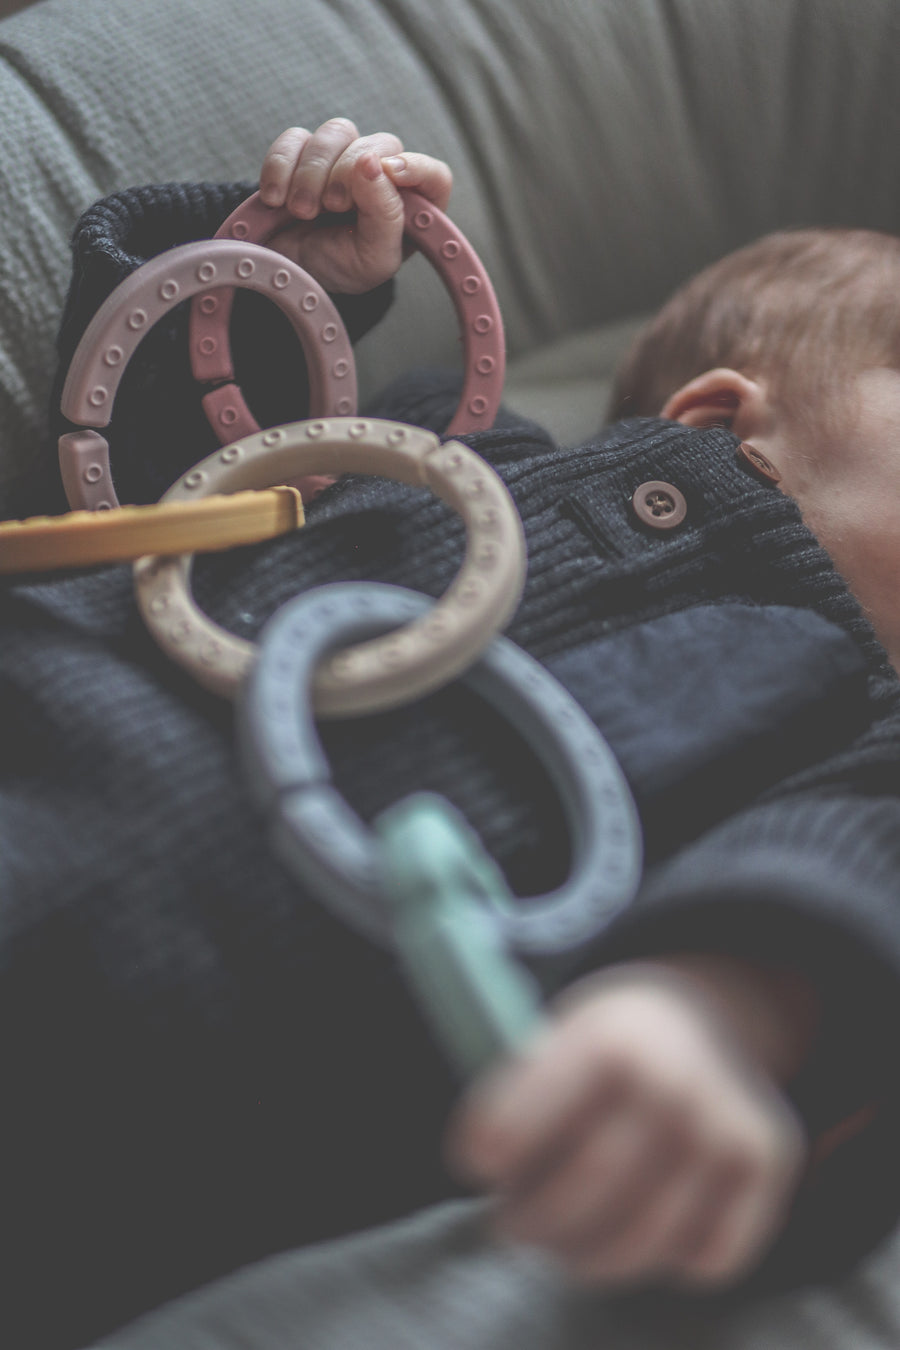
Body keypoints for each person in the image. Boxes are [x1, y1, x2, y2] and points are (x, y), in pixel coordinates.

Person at [6, 118, 900, 1349]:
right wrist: (290, 282)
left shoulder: (862, 744)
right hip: (52, 721)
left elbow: (831, 884)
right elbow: (170, 469)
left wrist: (704, 1019)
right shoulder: (448, 449)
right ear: (714, 420)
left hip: (177, 1095)